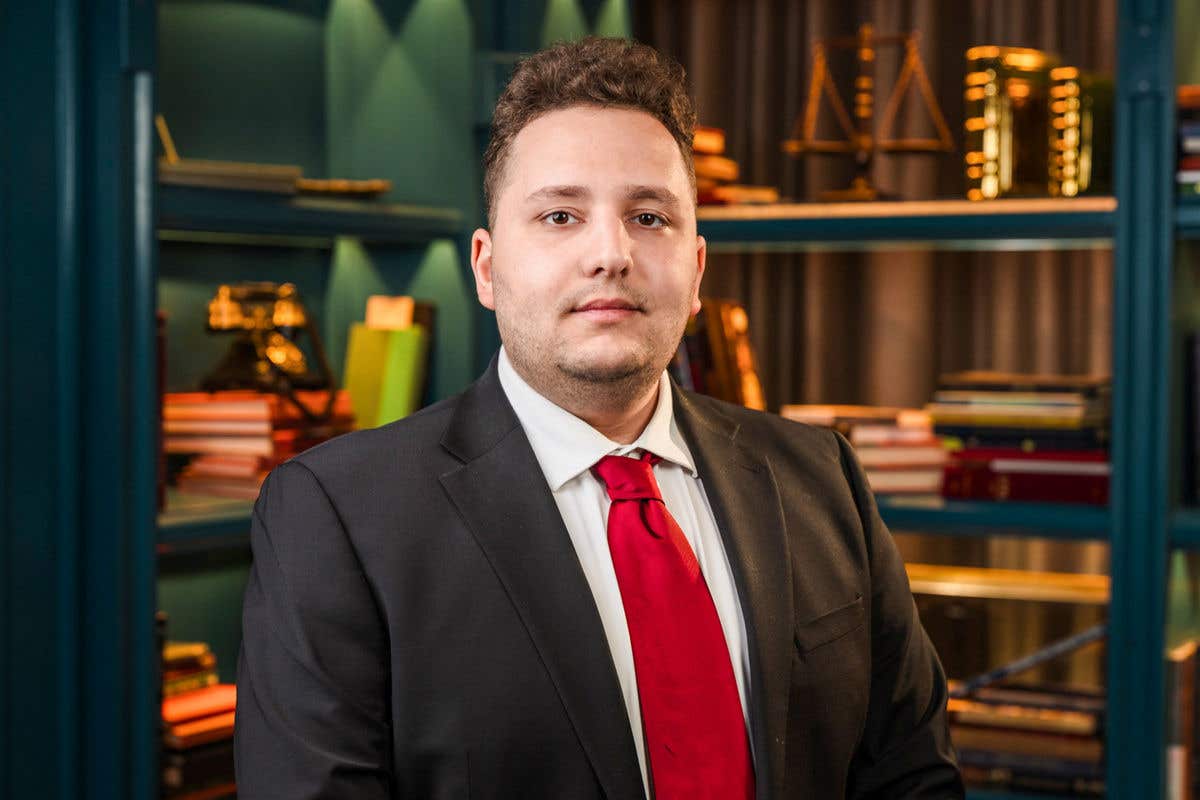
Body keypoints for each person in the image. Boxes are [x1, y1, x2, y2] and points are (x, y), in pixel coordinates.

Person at [234, 36, 963, 800]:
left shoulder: (822, 477)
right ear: (487, 267)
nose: (611, 253)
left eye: (649, 216)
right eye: (560, 215)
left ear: (697, 271)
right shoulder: (337, 515)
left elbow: (912, 779)